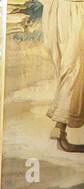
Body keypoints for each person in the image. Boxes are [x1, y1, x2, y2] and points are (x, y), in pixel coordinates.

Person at [43, 0, 84, 152]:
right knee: (74, 70)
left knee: (71, 70)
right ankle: (59, 127)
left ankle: (60, 132)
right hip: (71, 10)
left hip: (58, 10)